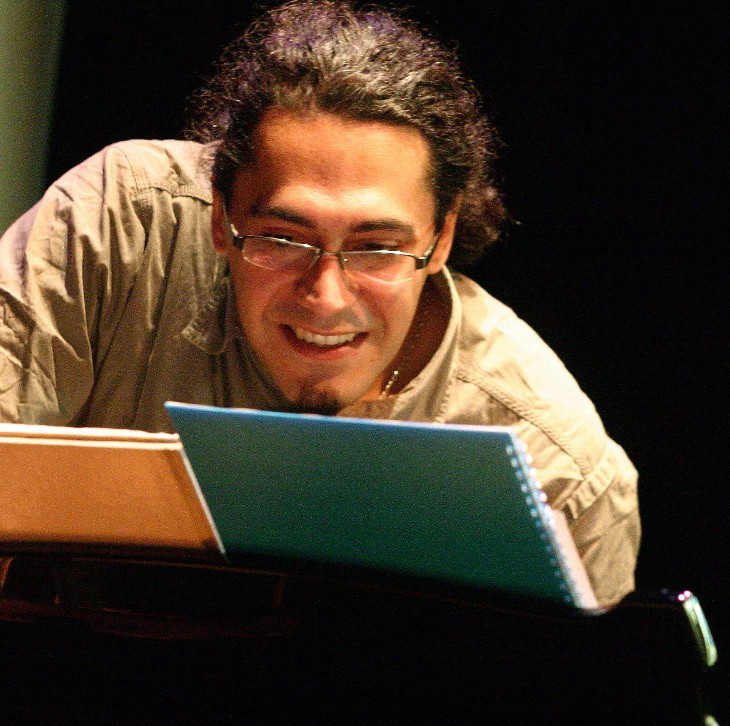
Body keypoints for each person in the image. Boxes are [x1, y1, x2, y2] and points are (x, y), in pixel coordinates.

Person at [0, 0, 638, 606]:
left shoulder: (556, 468)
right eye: (282, 240)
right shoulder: (120, 232)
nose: (326, 298)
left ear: (441, 238)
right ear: (220, 217)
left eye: (377, 248)